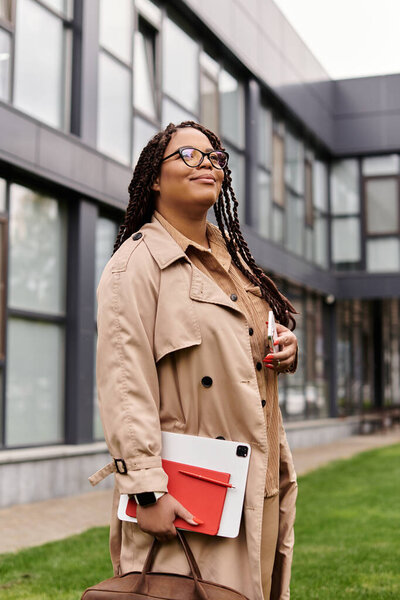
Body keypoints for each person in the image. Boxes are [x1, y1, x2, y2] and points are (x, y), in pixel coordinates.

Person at [91, 121, 299, 600]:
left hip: (259, 481)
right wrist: (146, 490)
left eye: (215, 158)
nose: (208, 164)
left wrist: (284, 347)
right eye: (189, 155)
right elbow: (125, 384)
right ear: (155, 179)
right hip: (190, 495)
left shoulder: (235, 263)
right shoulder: (134, 266)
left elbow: (245, 344)